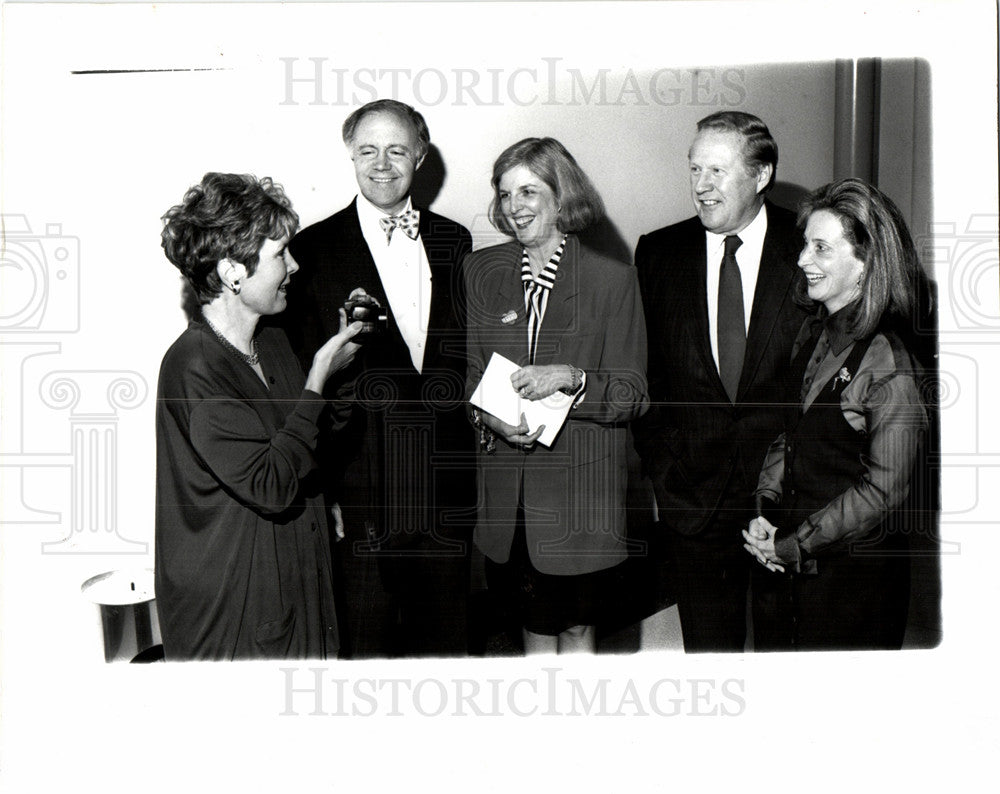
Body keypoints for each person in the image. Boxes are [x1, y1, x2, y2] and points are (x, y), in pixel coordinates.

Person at [282, 100, 475, 658]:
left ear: (420, 154)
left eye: (397, 149)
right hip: (362, 494)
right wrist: (322, 489)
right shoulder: (310, 252)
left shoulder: (454, 240)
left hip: (446, 487)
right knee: (365, 653)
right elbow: (304, 382)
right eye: (368, 150)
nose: (382, 164)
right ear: (350, 154)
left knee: (446, 652)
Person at [154, 172, 362, 660]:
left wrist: (338, 374)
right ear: (232, 273)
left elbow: (306, 441)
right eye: (279, 254)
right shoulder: (194, 368)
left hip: (294, 575)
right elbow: (270, 484)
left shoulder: (271, 340)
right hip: (237, 603)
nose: (294, 265)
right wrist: (317, 380)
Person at [464, 137, 648, 654]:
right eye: (504, 194)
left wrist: (571, 377)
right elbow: (471, 377)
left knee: (576, 629)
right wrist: (490, 420)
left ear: (562, 194)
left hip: (579, 505)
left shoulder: (612, 281)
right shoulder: (480, 272)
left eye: (528, 191)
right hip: (508, 504)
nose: (514, 206)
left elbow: (633, 393)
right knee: (529, 627)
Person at [634, 111, 808, 652]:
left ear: (761, 176)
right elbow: (648, 376)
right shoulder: (659, 253)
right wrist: (666, 470)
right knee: (710, 657)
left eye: (717, 171)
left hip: (790, 500)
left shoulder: (809, 248)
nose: (701, 186)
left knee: (789, 654)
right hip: (693, 499)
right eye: (694, 169)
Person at [743, 178, 931, 650]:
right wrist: (766, 505)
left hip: (853, 590)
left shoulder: (890, 360)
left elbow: (885, 492)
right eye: (806, 245)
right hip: (788, 579)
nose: (803, 260)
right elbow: (794, 435)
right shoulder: (813, 334)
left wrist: (793, 545)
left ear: (867, 263)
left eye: (821, 248)